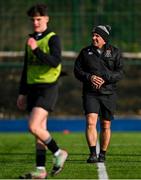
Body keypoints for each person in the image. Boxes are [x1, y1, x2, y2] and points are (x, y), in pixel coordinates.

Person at [17, 3, 68, 179]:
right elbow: (26, 67)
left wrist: (36, 49)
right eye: (33, 20)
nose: (35, 22)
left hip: (48, 88)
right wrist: (22, 92)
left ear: (46, 19)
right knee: (39, 131)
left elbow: (54, 61)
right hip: (32, 89)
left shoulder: (53, 38)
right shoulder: (30, 39)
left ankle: (59, 152)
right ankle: (40, 170)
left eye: (39, 19)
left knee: (33, 126)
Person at [74, 25, 123, 163]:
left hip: (109, 93)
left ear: (104, 39)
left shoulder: (115, 52)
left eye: (97, 36)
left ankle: (102, 154)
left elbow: (120, 73)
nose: (94, 38)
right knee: (90, 122)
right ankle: (92, 154)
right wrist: (90, 77)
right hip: (91, 93)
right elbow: (77, 71)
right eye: (93, 35)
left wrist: (104, 78)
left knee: (106, 124)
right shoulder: (85, 52)